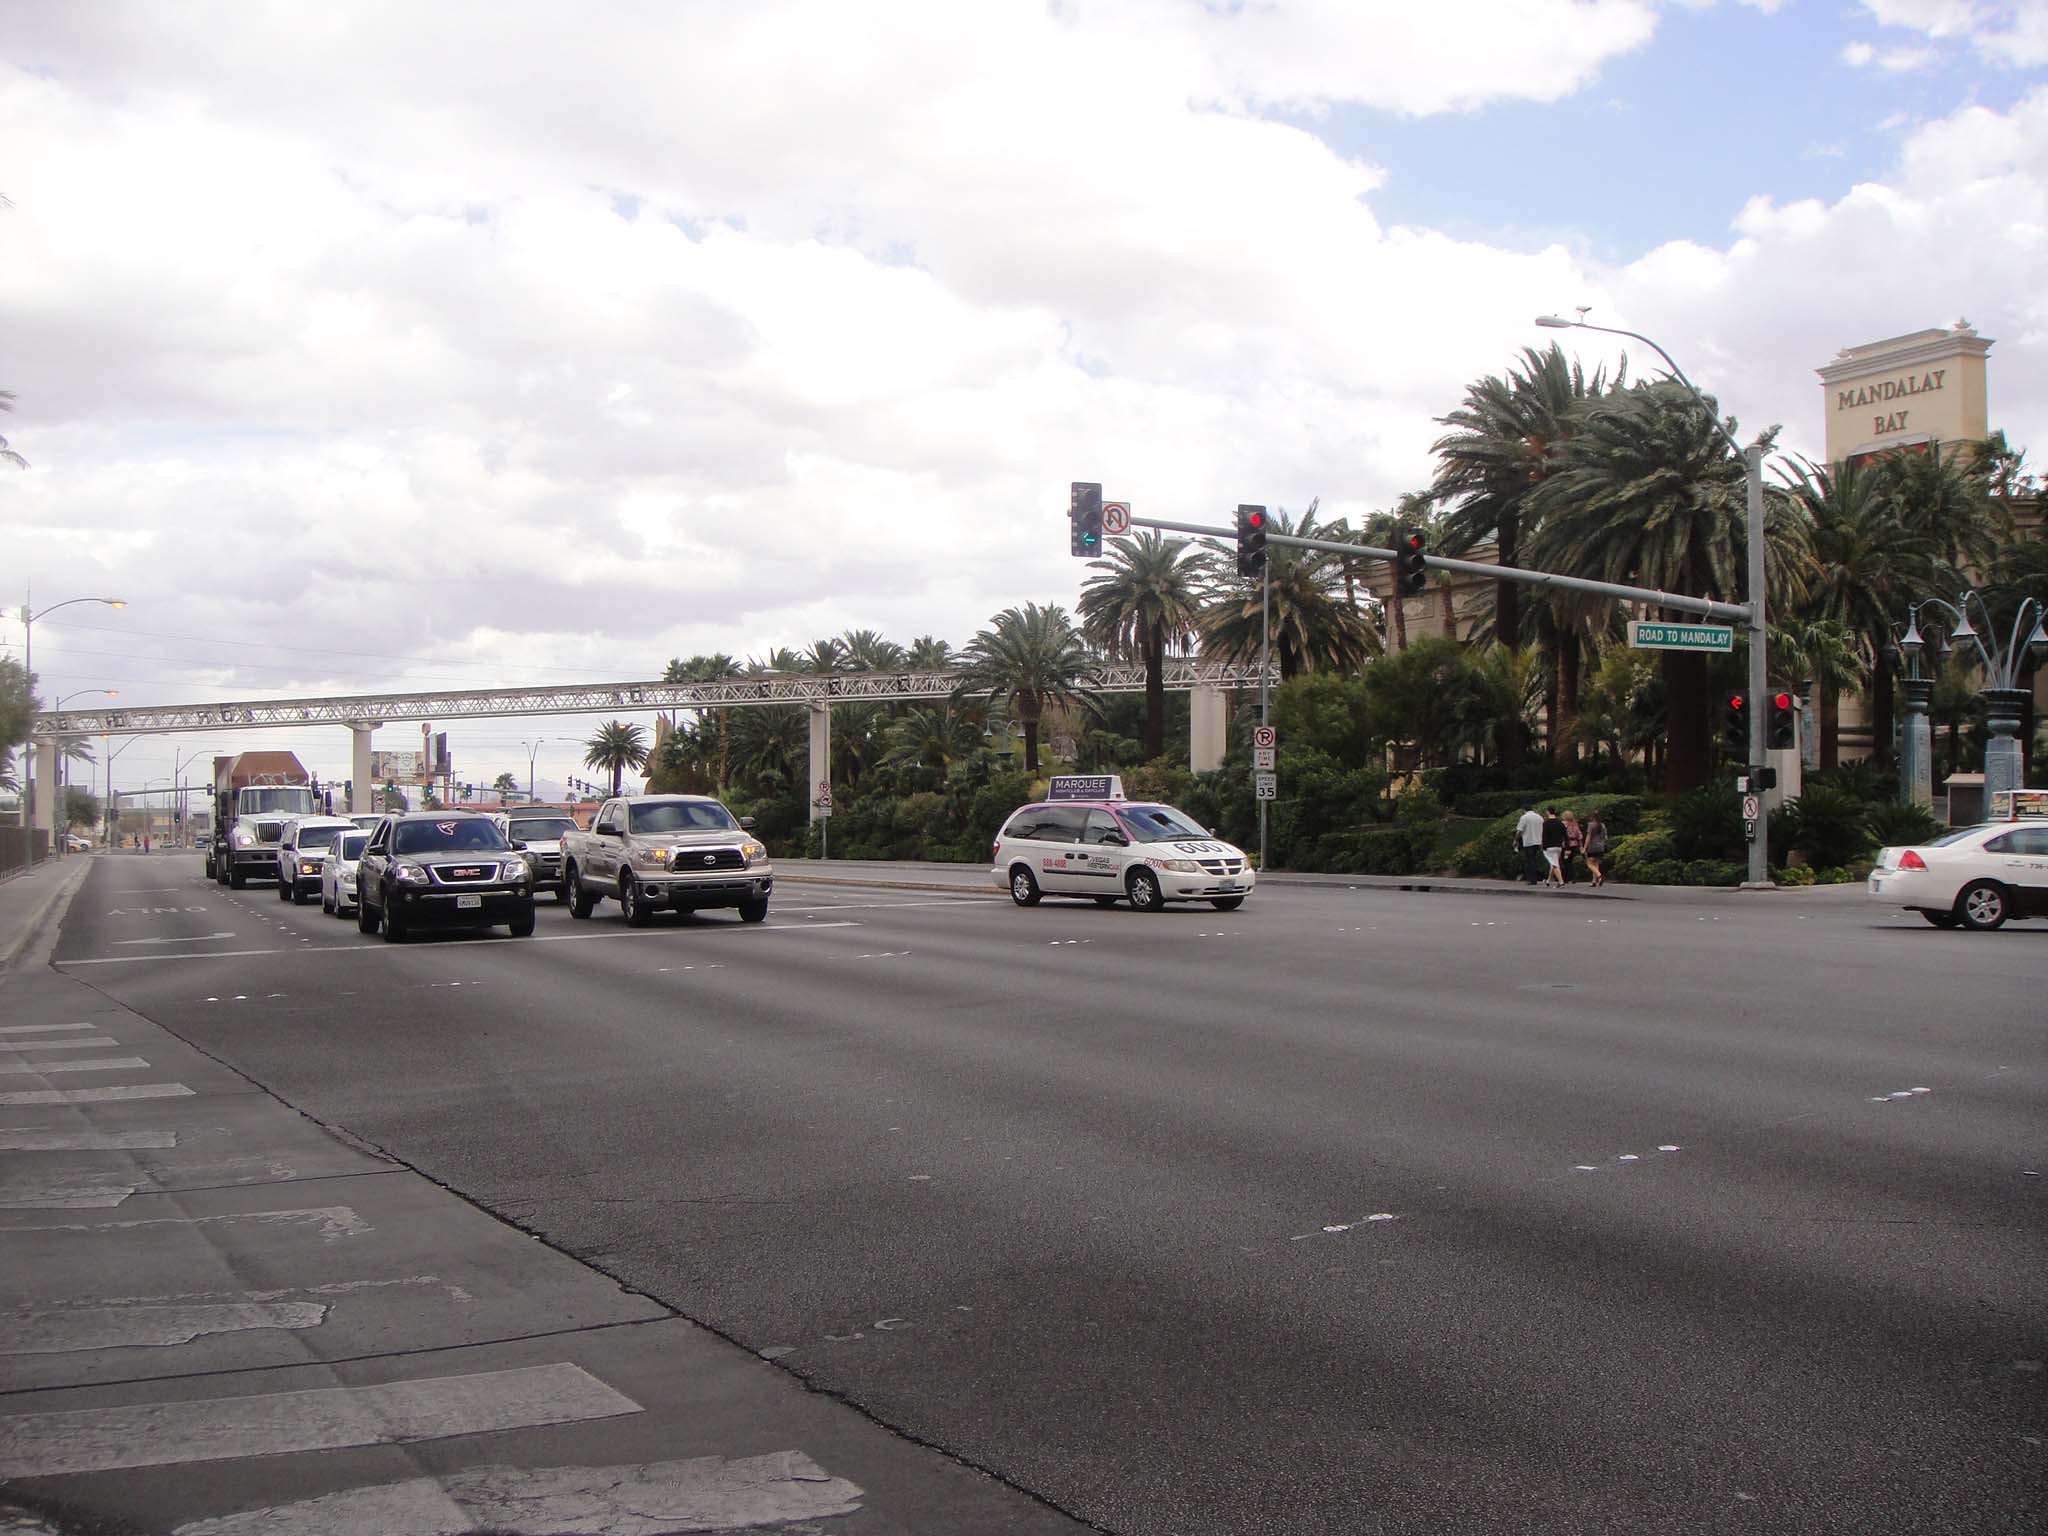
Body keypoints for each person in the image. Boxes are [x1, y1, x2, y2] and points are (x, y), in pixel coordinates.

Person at [1515, 804, 1545, 885]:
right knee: (1534, 859)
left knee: (1529, 860)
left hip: (1528, 841)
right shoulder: (1539, 817)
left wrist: (1516, 840)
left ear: (1524, 809)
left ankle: (1532, 879)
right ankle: (1535, 877)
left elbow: (1519, 831)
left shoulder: (1524, 817)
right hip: (1538, 841)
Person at [1540, 806, 1567, 888]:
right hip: (1558, 847)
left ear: (1548, 812)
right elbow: (1565, 836)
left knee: (1554, 864)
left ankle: (1561, 881)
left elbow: (1544, 836)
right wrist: (1567, 847)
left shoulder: (1546, 824)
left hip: (1549, 847)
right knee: (1554, 863)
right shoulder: (1560, 823)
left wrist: (1543, 846)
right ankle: (1548, 880)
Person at [1583, 811, 1609, 889]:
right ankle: (1594, 881)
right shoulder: (1603, 825)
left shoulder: (1591, 825)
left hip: (1592, 846)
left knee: (1589, 864)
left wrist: (1584, 848)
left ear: (1592, 818)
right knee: (1596, 863)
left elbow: (1588, 837)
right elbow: (1605, 837)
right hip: (1600, 846)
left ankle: (1599, 876)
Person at [1560, 812, 1583, 884]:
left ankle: (1566, 877)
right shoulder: (1575, 824)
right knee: (1570, 861)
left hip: (1565, 844)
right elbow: (1579, 835)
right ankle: (1573, 877)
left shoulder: (1563, 824)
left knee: (1565, 861)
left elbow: (1562, 834)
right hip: (1574, 844)